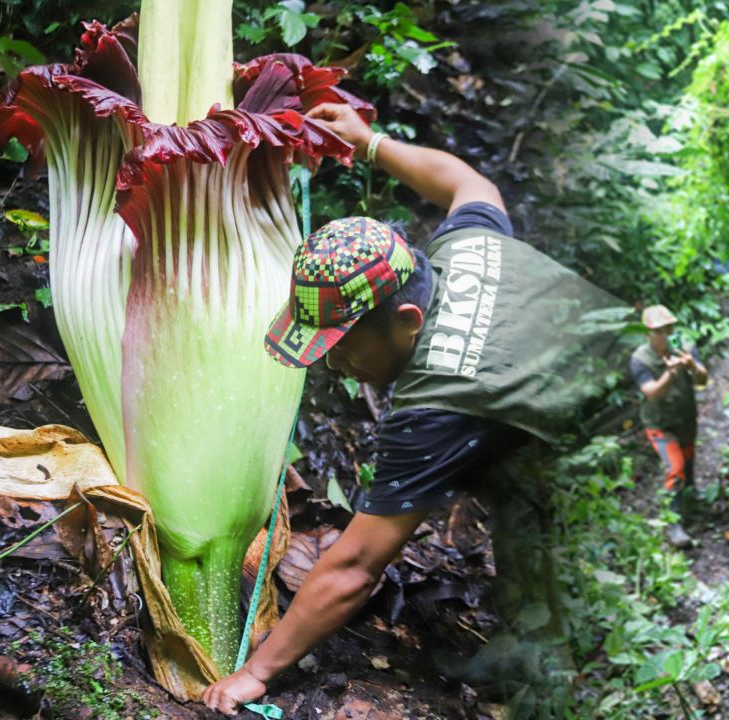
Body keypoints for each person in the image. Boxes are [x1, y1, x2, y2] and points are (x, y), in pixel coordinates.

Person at [202, 102, 627, 715]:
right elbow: (468, 184)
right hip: (615, 359)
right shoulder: (464, 247)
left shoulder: (435, 406)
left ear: (407, 322)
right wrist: (369, 141)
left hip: (626, 441)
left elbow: (354, 566)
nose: (333, 365)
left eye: (342, 348)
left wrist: (257, 672)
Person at [630, 305, 708, 529]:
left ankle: (691, 498)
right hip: (660, 423)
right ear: (648, 334)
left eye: (669, 329)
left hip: (685, 416)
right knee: (675, 468)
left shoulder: (685, 347)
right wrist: (670, 373)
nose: (666, 336)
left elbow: (702, 380)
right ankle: (674, 524)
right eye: (659, 331)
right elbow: (652, 394)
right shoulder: (641, 359)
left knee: (688, 459)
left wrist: (692, 365)